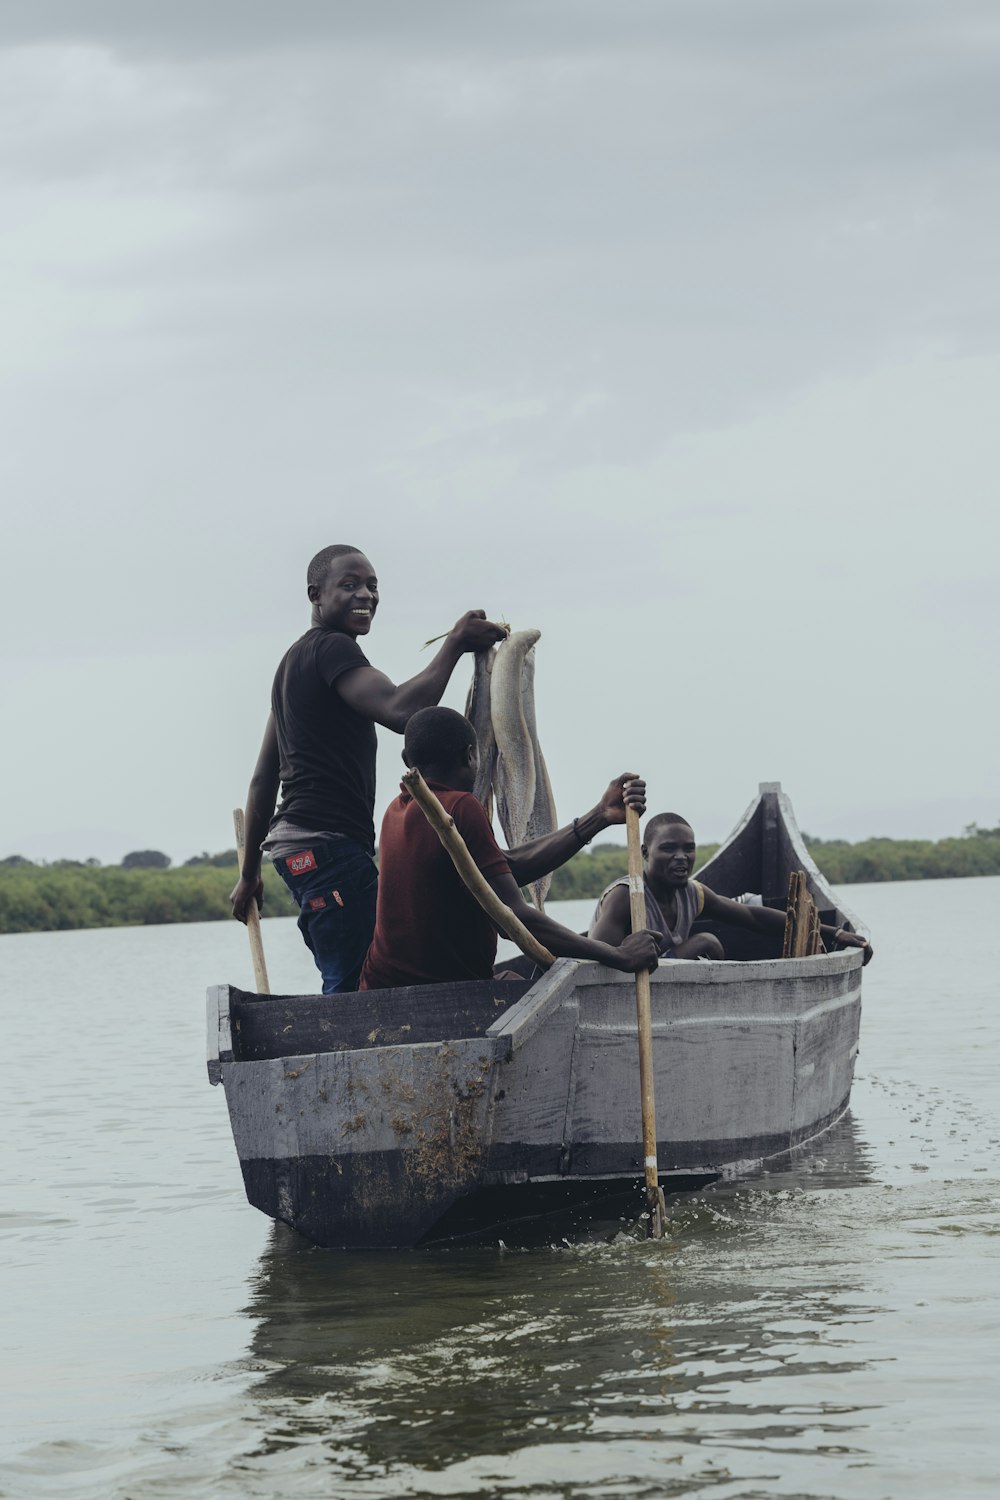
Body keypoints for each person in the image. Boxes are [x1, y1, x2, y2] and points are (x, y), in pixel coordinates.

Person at [230, 544, 507, 993]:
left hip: (298, 850)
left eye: (373, 585)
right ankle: (344, 1061)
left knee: (369, 972)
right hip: (326, 850)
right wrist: (455, 644)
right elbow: (400, 711)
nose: (366, 595)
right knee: (359, 981)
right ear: (315, 594)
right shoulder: (331, 650)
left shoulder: (293, 665)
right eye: (350, 585)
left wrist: (249, 874)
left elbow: (264, 777)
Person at [359, 707, 662, 989]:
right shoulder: (460, 807)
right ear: (469, 756)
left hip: (379, 984)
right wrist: (618, 955)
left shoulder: (395, 811)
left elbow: (506, 867)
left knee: (513, 982)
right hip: (438, 992)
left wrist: (599, 816)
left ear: (406, 760)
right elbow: (510, 917)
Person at [589, 811, 874, 963]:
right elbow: (592, 959)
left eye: (688, 849)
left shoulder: (693, 893)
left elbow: (752, 917)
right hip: (630, 992)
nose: (681, 857)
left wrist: (833, 932)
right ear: (645, 852)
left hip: (664, 986)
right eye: (668, 849)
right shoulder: (626, 897)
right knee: (706, 942)